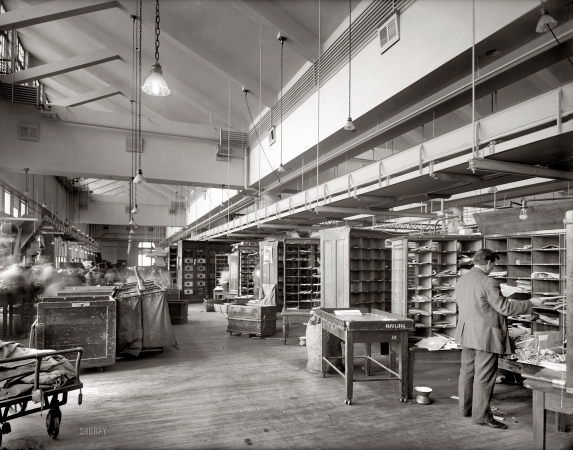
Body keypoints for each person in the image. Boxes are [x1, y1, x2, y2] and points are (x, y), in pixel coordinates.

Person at [455, 248, 543, 429]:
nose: (493, 268)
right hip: (486, 336)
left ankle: (466, 409)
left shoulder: (462, 279)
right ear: (488, 263)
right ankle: (482, 417)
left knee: (467, 372)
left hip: (467, 333)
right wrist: (530, 304)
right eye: (493, 264)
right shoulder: (489, 281)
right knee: (484, 377)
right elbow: (505, 309)